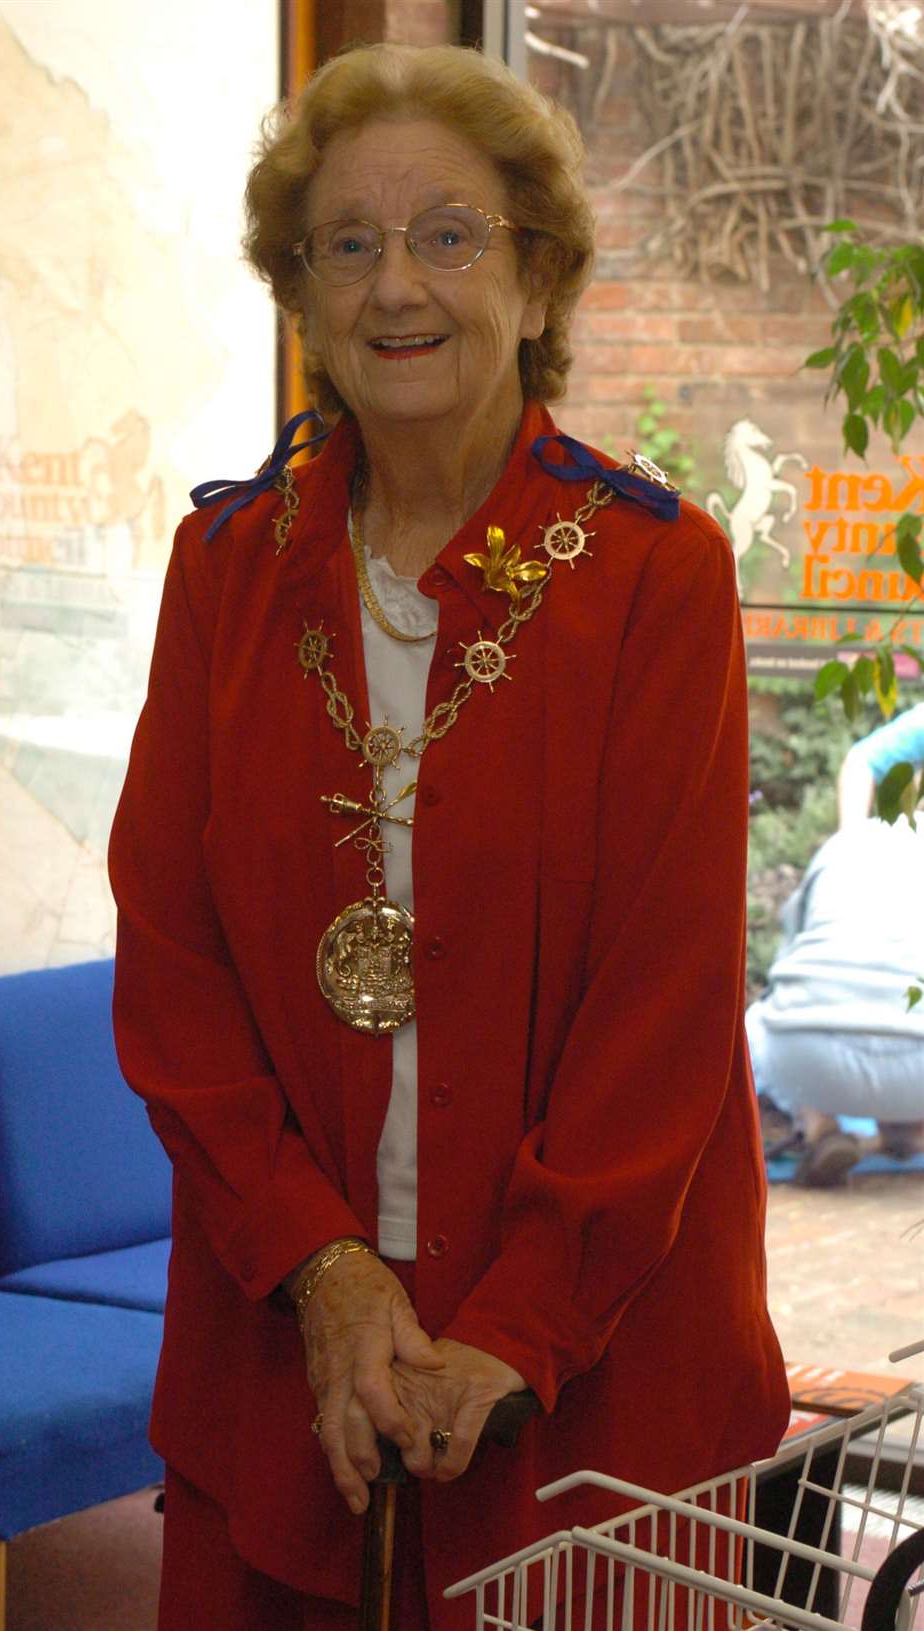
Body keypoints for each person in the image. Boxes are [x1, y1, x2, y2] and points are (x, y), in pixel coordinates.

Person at [109, 43, 788, 1630]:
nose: (395, 284)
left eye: (450, 235)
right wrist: (326, 1269)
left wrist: (520, 1321)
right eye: (347, 243)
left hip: (596, 1342)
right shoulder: (225, 570)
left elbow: (665, 1000)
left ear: (538, 282)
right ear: (302, 292)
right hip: (283, 1314)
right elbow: (174, 956)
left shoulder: (654, 578)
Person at [748, 707, 924, 1188]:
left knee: (763, 1019)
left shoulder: (841, 854)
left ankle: (821, 1124)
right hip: (919, 1067)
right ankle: (909, 1128)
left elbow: (787, 970)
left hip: (810, 1058)